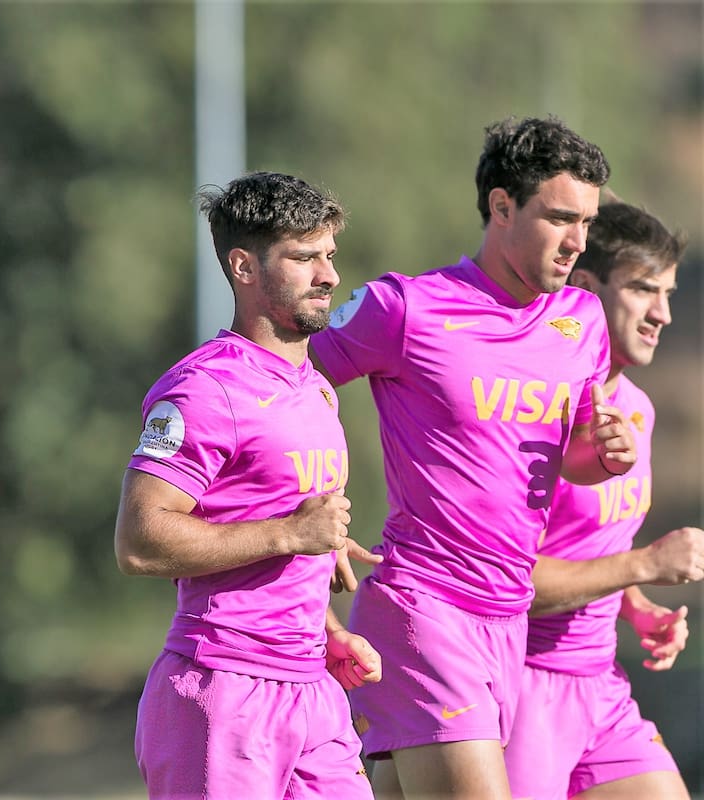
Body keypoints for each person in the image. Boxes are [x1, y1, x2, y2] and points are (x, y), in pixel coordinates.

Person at [308, 116, 637, 800]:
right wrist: (307, 509)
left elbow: (573, 458)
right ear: (502, 206)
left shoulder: (582, 322)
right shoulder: (405, 307)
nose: (579, 242)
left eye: (587, 222)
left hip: (509, 618)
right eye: (560, 219)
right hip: (424, 606)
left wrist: (605, 456)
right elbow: (284, 383)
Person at [113, 171, 383, 799]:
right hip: (222, 688)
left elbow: (273, 524)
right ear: (244, 267)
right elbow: (138, 541)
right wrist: (291, 534)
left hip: (313, 689)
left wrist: (327, 631)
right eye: (304, 257)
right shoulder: (203, 389)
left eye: (329, 255)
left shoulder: (318, 390)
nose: (329, 275)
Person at [503, 199, 703, 799]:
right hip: (523, 686)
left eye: (667, 293)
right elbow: (509, 580)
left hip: (602, 685)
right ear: (587, 289)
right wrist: (643, 565)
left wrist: (633, 604)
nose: (662, 313)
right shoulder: (532, 411)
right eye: (643, 290)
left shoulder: (637, 408)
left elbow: (587, 547)